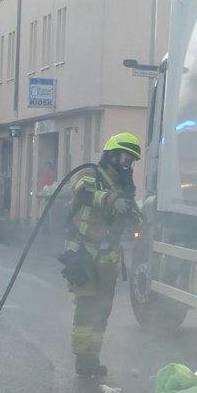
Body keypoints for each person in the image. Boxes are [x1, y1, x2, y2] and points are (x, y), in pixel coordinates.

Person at [59, 134, 142, 379]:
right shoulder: (90, 175)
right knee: (86, 306)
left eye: (132, 160)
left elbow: (132, 216)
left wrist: (133, 218)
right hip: (82, 251)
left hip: (108, 256)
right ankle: (81, 358)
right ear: (112, 155)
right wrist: (110, 199)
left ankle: (93, 357)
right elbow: (84, 193)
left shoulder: (124, 188)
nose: (128, 164)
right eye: (125, 158)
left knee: (102, 309)